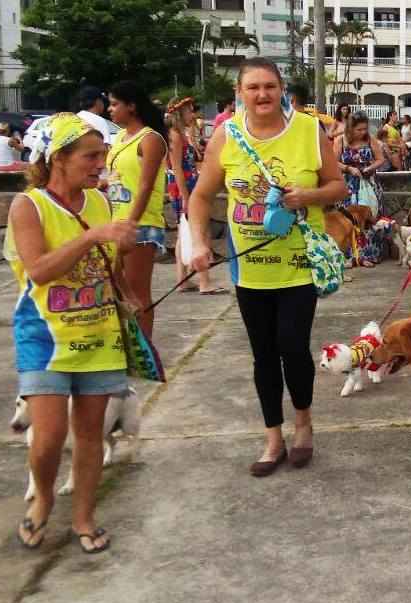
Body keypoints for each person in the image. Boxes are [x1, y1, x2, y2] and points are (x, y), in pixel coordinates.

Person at [188, 57, 347, 476]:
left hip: (298, 264)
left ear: (282, 91)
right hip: (250, 268)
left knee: (293, 346)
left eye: (269, 87)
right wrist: (199, 241)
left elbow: (338, 186)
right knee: (262, 355)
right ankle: (272, 436)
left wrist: (307, 197)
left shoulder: (309, 132)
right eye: (253, 87)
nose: (262, 95)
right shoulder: (226, 136)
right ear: (239, 93)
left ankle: (303, 424)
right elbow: (201, 195)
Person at [6, 113, 136, 553]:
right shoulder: (29, 205)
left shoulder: (99, 202)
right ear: (58, 158)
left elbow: (106, 266)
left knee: (90, 434)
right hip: (44, 336)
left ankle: (83, 516)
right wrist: (94, 236)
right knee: (48, 435)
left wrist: (120, 268)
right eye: (92, 156)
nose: (102, 163)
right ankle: (43, 499)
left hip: (99, 332)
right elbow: (39, 270)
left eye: (103, 154)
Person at [106, 81, 168, 339]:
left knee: (137, 291)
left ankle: (145, 348)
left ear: (131, 106)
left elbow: (145, 186)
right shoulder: (120, 137)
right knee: (116, 288)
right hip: (117, 221)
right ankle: (129, 343)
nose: (110, 109)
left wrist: (130, 225)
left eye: (114, 104)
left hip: (140, 225)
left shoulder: (150, 139)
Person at [166, 97, 226, 295]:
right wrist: (185, 197)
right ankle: (204, 280)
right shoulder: (175, 135)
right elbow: (176, 167)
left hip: (189, 184)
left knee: (184, 231)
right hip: (185, 186)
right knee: (200, 231)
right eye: (189, 111)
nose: (193, 115)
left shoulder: (183, 133)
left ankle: (183, 279)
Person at [336, 113, 388, 212]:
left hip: (368, 180)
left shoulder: (370, 139)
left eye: (365, 129)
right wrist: (349, 169)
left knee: (371, 211)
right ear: (350, 129)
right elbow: (334, 162)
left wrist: (370, 168)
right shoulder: (340, 140)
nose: (363, 132)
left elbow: (380, 159)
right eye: (359, 130)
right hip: (348, 183)